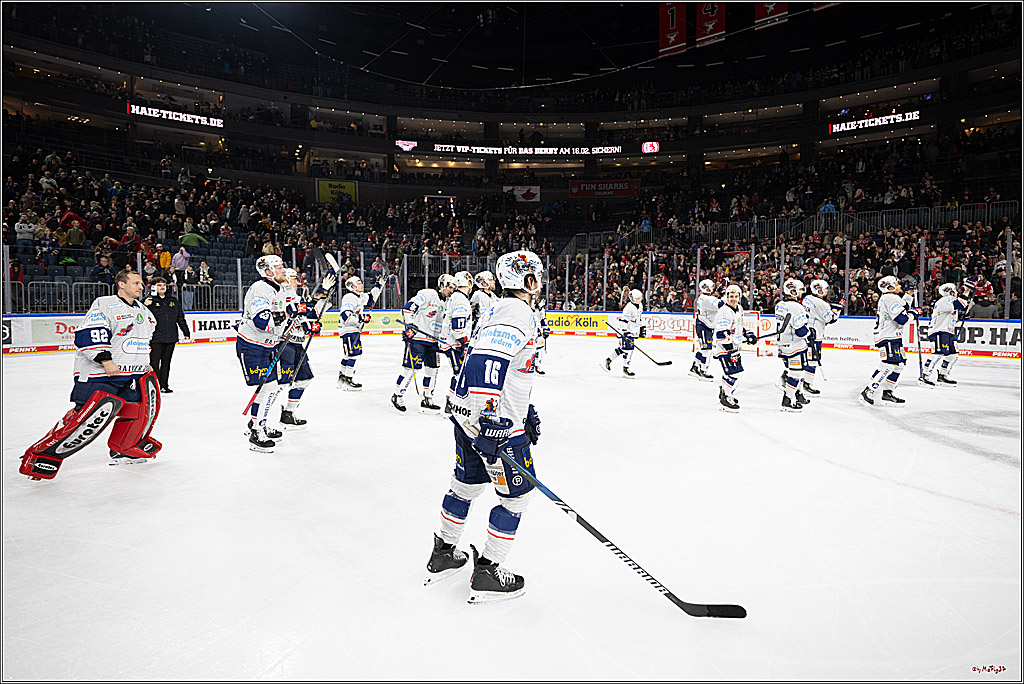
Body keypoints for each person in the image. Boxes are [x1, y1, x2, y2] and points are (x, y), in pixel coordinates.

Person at [424, 250, 544, 603]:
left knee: (465, 484)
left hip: (467, 414)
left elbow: (501, 365)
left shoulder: (496, 308)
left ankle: (444, 552)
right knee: (517, 497)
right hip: (491, 423)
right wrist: (493, 421)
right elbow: (486, 363)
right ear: (529, 281)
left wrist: (525, 405)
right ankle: (489, 571)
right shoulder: (518, 311)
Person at [20, 270, 162, 480]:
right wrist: (105, 359)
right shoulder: (105, 304)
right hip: (102, 373)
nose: (141, 287)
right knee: (85, 417)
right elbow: (91, 332)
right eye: (136, 283)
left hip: (133, 374)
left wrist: (145, 363)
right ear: (121, 284)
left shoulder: (145, 311)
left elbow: (142, 341)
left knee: (138, 412)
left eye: (142, 283)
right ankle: (41, 456)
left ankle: (125, 448)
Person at [236, 255, 289, 452]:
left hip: (267, 346)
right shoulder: (261, 289)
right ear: (268, 272)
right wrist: (288, 315)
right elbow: (262, 321)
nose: (284, 270)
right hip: (253, 346)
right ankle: (256, 433)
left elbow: (282, 318)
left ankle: (259, 423)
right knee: (267, 389)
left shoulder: (278, 289)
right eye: (280, 267)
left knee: (272, 388)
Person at [392, 275, 454, 413]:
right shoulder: (429, 294)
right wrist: (410, 323)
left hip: (434, 341)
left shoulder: (450, 302)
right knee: (410, 369)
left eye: (453, 288)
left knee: (432, 370)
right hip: (418, 339)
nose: (452, 290)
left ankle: (427, 398)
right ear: (442, 285)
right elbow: (409, 307)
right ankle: (397, 395)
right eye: (450, 287)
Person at [278, 268, 332, 426]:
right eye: (294, 278)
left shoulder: (297, 297)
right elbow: (297, 312)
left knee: (304, 379)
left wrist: (312, 326)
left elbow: (309, 314)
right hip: (284, 344)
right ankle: (261, 420)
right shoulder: (282, 295)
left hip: (297, 345)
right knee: (279, 384)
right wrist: (321, 291)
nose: (297, 281)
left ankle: (288, 413)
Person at [860, 275, 920, 406]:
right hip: (888, 337)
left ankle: (888, 392)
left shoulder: (891, 298)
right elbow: (902, 319)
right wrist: (914, 314)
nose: (899, 286)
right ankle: (869, 390)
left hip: (893, 337)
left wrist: (910, 292)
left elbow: (904, 307)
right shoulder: (889, 298)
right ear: (890, 287)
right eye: (897, 284)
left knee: (900, 365)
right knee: (888, 364)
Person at [919, 280, 973, 386]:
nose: (957, 292)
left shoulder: (949, 302)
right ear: (951, 292)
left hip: (948, 331)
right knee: (938, 353)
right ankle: (925, 375)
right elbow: (961, 304)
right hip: (939, 331)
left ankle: (943, 374)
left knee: (953, 355)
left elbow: (952, 317)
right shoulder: (946, 300)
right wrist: (967, 290)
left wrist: (962, 317)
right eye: (955, 290)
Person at [713, 284, 758, 411]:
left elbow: (738, 326)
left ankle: (725, 392)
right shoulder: (724, 312)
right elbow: (722, 334)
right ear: (726, 297)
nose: (733, 299)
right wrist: (730, 350)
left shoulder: (739, 308)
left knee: (733, 372)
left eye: (736, 296)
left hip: (734, 349)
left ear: (739, 297)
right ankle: (725, 398)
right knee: (735, 373)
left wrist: (747, 333)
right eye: (731, 296)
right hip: (725, 349)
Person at [337, 273, 385, 391]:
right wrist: (361, 318)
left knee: (348, 355)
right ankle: (348, 381)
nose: (361, 284)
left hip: (352, 329)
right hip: (349, 329)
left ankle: (342, 380)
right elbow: (345, 316)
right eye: (358, 283)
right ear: (352, 286)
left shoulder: (359, 297)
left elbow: (371, 297)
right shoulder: (349, 297)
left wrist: (379, 285)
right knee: (355, 354)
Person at [144, 277, 190, 393]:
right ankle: (155, 385)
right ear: (153, 287)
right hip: (155, 338)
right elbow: (138, 317)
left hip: (170, 337)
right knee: (154, 363)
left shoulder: (173, 301)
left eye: (164, 284)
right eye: (159, 285)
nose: (162, 287)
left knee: (166, 363)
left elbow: (180, 318)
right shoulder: (148, 301)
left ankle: (164, 385)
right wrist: (144, 306)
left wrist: (186, 332)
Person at [775, 279, 812, 412]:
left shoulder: (779, 304)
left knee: (795, 371)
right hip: (794, 346)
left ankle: (797, 394)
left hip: (782, 345)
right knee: (796, 373)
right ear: (793, 291)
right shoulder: (797, 307)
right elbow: (800, 331)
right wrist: (810, 333)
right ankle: (788, 400)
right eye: (800, 289)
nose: (802, 292)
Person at [440, 271, 474, 413]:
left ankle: (453, 401)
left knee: (460, 373)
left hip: (452, 343)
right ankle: (451, 403)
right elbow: (457, 329)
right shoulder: (460, 299)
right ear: (469, 284)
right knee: (459, 374)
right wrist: (466, 342)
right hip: (454, 344)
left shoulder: (457, 297)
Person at [801, 279, 839, 395]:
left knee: (803, 359)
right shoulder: (821, 303)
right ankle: (807, 384)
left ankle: (790, 379)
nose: (827, 290)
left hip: (806, 333)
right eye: (825, 288)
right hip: (815, 335)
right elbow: (830, 319)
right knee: (812, 361)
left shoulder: (807, 298)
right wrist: (837, 309)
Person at [602, 289, 645, 378]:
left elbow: (639, 318)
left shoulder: (640, 305)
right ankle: (625, 369)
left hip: (632, 331)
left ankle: (609, 360)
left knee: (625, 349)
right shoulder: (629, 308)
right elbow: (623, 321)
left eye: (640, 298)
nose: (639, 300)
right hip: (624, 331)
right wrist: (625, 333)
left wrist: (641, 327)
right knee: (629, 349)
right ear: (632, 299)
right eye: (637, 298)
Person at [689, 279, 721, 381]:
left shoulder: (704, 298)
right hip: (704, 325)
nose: (713, 288)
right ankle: (703, 370)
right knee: (707, 350)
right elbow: (721, 305)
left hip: (705, 325)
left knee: (704, 348)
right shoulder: (707, 299)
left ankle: (695, 367)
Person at [533, 298, 550, 375]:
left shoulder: (540, 307)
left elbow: (543, 318)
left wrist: (545, 328)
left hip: (536, 330)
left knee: (539, 347)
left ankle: (537, 366)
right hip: (528, 329)